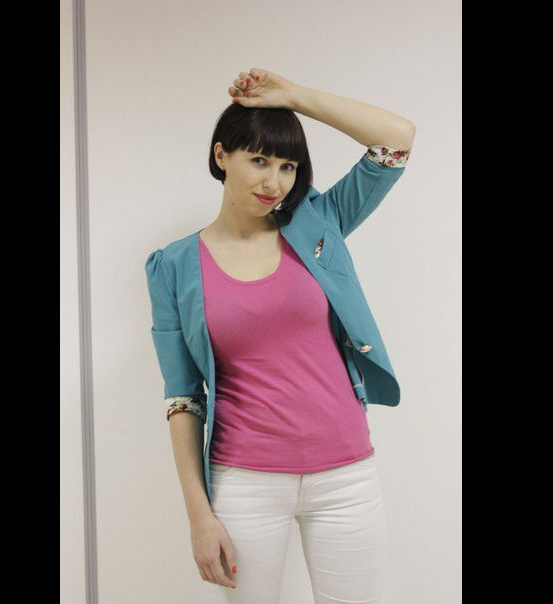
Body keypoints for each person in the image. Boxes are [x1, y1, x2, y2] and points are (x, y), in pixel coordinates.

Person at [145, 67, 415, 603]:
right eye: (259, 160)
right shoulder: (173, 266)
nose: (275, 182)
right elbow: (183, 398)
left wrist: (294, 96)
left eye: (288, 165)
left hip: (346, 475)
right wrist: (199, 516)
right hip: (245, 481)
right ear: (222, 156)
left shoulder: (319, 223)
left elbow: (396, 141)